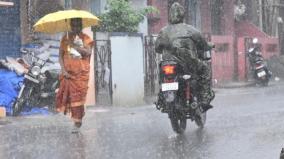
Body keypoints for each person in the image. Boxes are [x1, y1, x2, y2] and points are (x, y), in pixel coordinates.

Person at [155, 2, 214, 112]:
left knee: (161, 74)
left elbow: (157, 48)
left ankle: (161, 97)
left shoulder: (163, 31)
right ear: (182, 15)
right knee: (205, 69)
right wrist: (210, 45)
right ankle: (205, 99)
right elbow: (204, 45)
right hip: (189, 64)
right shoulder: (191, 30)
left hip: (169, 64)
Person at [56, 18, 93, 133]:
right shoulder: (65, 39)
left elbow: (88, 52)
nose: (76, 28)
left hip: (81, 75)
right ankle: (76, 119)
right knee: (70, 98)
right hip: (68, 75)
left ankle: (77, 121)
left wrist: (74, 46)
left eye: (78, 26)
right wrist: (64, 70)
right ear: (71, 26)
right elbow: (60, 57)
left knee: (78, 98)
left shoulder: (86, 38)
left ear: (81, 26)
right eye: (74, 25)